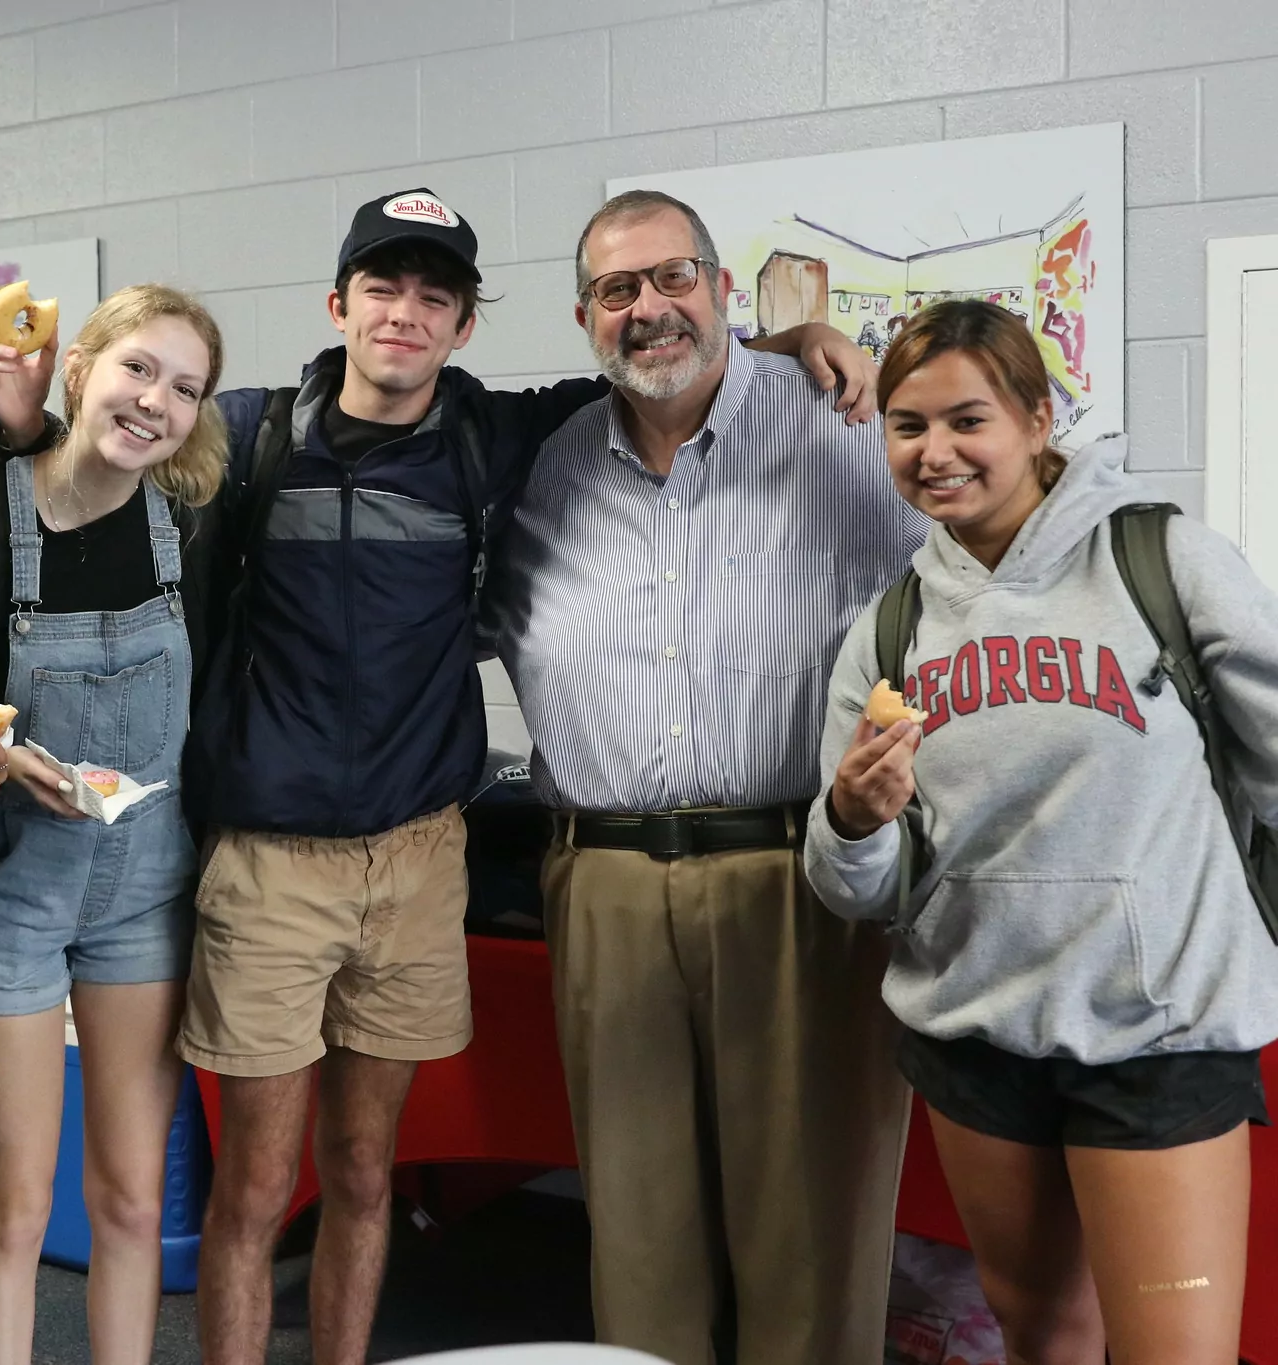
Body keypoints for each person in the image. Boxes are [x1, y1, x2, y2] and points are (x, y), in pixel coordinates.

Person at [106, 186, 872, 1365]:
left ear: (464, 326)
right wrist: (19, 419)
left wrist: (789, 340)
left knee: (366, 1174)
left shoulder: (495, 437)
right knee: (259, 1197)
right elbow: (98, 483)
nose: (405, 314)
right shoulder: (248, 436)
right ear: (338, 304)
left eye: (435, 296)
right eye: (382, 288)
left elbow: (665, 356)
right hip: (266, 864)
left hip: (420, 860)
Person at [488, 189, 924, 1365]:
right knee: (635, 1243)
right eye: (617, 291)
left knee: (811, 1245)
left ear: (725, 291)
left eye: (673, 278)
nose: (649, 309)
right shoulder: (543, 467)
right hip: (604, 887)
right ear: (583, 316)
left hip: (801, 880)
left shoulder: (848, 424)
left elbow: (983, 574)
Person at [807, 300, 1278, 1365]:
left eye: (965, 419)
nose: (935, 453)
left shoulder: (1162, 561)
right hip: (972, 1027)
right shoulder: (889, 627)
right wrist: (849, 819)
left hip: (1156, 1038)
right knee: (1039, 1341)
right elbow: (852, 888)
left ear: (1033, 415)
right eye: (906, 426)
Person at [0, 283, 229, 1365]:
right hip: (8, 894)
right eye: (139, 368)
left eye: (185, 388)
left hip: (144, 894)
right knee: (17, 1208)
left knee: (133, 1202)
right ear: (78, 366)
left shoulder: (189, 523)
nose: (156, 402)